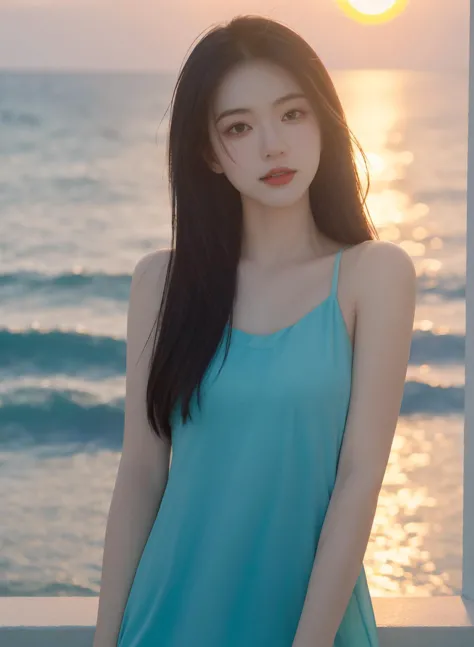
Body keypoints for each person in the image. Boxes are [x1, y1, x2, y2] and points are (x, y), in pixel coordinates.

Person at [93, 13, 417, 647]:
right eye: (239, 127)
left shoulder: (372, 275)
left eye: (292, 114)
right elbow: (140, 475)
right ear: (210, 154)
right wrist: (105, 640)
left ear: (323, 118)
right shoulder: (160, 284)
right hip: (165, 623)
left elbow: (359, 480)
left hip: (310, 628)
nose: (273, 144)